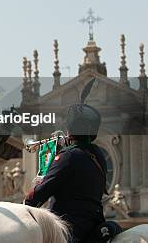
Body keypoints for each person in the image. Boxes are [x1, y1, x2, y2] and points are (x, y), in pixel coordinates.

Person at [24, 103, 109, 242]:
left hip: (68, 228)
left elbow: (42, 191)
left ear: (70, 130)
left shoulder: (69, 156)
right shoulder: (99, 157)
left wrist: (25, 205)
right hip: (94, 224)